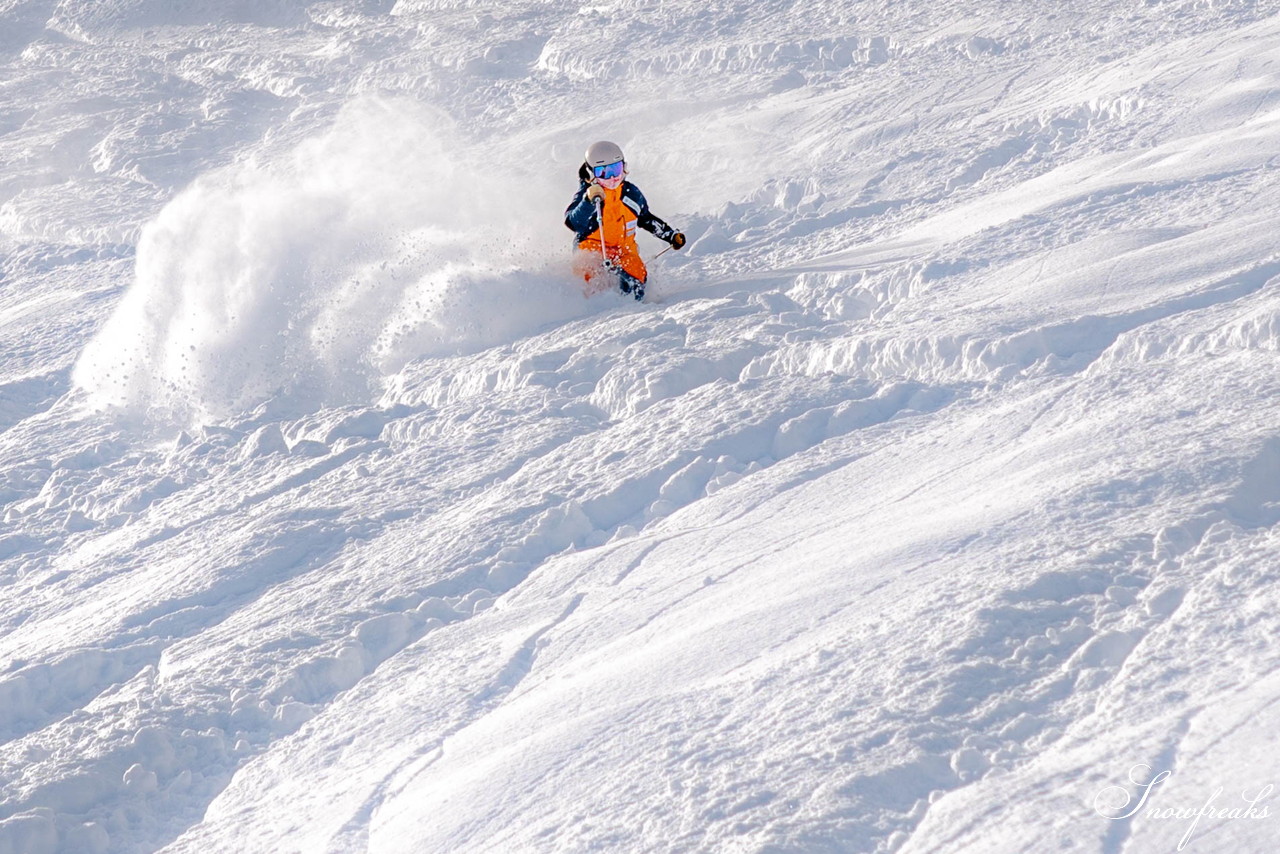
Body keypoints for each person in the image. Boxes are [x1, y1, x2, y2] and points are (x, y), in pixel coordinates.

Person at [564, 140, 686, 301]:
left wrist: (670, 235)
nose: (613, 177)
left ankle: (633, 312)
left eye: (616, 169)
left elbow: (646, 218)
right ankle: (595, 308)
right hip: (593, 251)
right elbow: (573, 223)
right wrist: (587, 200)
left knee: (636, 282)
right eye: (604, 173)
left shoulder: (630, 193)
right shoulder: (591, 195)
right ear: (592, 173)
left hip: (624, 251)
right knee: (595, 285)